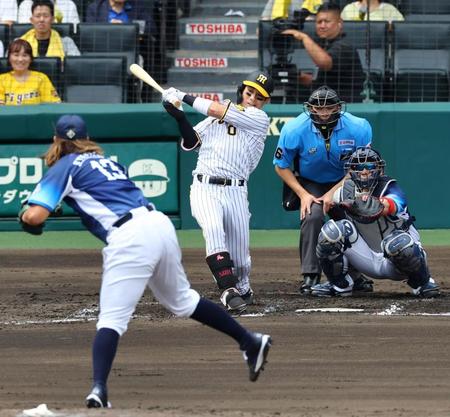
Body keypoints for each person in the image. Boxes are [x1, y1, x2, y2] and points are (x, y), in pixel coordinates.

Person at [18, 114, 272, 408]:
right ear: (86, 138)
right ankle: (250, 341)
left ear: (56, 140)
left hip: (130, 236)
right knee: (182, 300)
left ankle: (99, 390)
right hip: (158, 224)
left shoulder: (63, 166)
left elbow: (35, 217)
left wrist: (27, 215)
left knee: (112, 319)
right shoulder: (109, 162)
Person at [161, 71, 273, 313]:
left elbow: (218, 111)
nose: (252, 98)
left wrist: (181, 95)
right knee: (213, 229)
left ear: (265, 102)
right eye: (249, 92)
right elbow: (191, 143)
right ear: (242, 90)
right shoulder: (216, 116)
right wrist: (180, 118)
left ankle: (241, 287)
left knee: (241, 261)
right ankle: (227, 290)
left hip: (236, 191)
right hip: (204, 186)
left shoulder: (258, 118)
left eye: (259, 96)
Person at [273, 85, 372, 294]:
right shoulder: (294, 129)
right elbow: (281, 166)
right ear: (310, 108)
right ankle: (311, 275)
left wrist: (333, 193)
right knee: (312, 216)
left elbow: (361, 167)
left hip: (344, 179)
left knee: (349, 219)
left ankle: (356, 274)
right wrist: (303, 194)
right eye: (318, 108)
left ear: (338, 106)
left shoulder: (359, 127)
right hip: (310, 182)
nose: (324, 113)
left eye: (329, 107)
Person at [311, 147, 440, 298]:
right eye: (358, 167)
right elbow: (326, 204)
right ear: (351, 170)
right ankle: (341, 285)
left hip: (399, 261)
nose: (364, 172)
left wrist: (371, 203)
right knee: (331, 232)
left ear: (379, 169)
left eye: (370, 166)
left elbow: (391, 205)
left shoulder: (390, 187)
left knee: (397, 243)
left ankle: (422, 282)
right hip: (367, 258)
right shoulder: (343, 192)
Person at [281, 2, 365, 103]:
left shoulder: (344, 46)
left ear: (340, 23)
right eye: (319, 22)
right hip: (327, 105)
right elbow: (329, 81)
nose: (322, 26)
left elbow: (325, 63)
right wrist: (303, 78)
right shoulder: (326, 45)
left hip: (344, 107)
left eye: (327, 21)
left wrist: (303, 37)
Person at [0, 39, 61, 105]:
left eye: (25, 55)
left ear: (31, 59)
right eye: (16, 55)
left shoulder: (41, 78)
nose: (20, 59)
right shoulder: (2, 80)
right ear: (9, 58)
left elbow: (53, 105)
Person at [86, 0, 156, 35]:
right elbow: (88, 32)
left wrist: (126, 27)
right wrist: (108, 27)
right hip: (103, 50)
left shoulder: (137, 6)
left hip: (130, 50)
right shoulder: (96, 7)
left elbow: (151, 27)